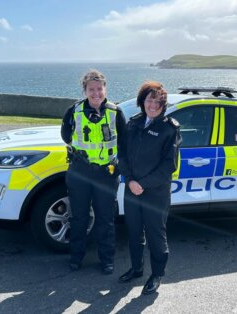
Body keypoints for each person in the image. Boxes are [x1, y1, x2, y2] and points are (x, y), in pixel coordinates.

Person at [118, 81, 181, 295]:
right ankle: (136, 269)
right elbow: (122, 154)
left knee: (156, 235)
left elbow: (168, 166)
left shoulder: (169, 129)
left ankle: (156, 275)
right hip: (132, 189)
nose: (152, 105)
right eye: (149, 99)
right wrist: (129, 180)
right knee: (134, 232)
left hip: (155, 193)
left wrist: (141, 184)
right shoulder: (134, 123)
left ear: (163, 104)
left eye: (157, 101)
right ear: (142, 101)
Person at [61, 69, 126, 274]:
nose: (96, 93)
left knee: (105, 219)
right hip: (80, 172)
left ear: (105, 89)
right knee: (78, 218)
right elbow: (65, 135)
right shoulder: (74, 111)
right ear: (85, 90)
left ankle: (107, 260)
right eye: (91, 89)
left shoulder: (116, 112)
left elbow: (125, 142)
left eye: (99, 89)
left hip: (106, 174)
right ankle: (76, 257)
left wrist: (118, 166)